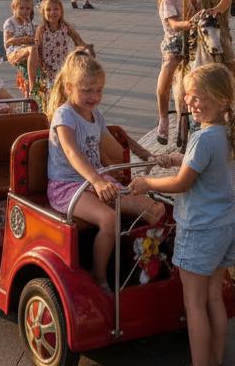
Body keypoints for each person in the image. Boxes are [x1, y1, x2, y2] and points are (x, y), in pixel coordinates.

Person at [130, 62, 235, 366]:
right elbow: (201, 164)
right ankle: (215, 360)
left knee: (193, 305)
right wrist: (174, 158)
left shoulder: (204, 139)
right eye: (189, 96)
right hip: (226, 227)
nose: (190, 102)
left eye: (197, 97)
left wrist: (146, 183)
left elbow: (183, 182)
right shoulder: (226, 134)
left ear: (219, 100)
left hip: (200, 230)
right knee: (214, 298)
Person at [45, 49, 165, 292]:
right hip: (67, 185)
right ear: (69, 88)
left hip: (96, 180)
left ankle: (140, 265)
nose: (94, 96)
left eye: (98, 90)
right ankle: (99, 277)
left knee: (155, 209)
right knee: (109, 219)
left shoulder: (95, 115)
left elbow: (114, 144)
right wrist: (98, 180)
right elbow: (71, 152)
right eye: (87, 90)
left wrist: (145, 156)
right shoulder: (64, 115)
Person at [154, 0, 197, 145]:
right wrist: (187, 24)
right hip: (175, 42)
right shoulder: (167, 0)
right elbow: (173, 24)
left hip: (193, 41)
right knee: (169, 67)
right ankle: (163, 118)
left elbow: (201, 13)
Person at [27, 0, 89, 105]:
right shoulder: (41, 30)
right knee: (52, 100)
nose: (52, 12)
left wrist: (85, 55)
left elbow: (80, 42)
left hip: (64, 69)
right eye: (48, 9)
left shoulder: (66, 27)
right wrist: (45, 70)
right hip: (48, 71)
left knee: (66, 98)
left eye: (56, 9)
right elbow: (38, 53)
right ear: (43, 12)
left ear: (61, 10)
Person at [2, 0, 38, 68]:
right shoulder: (10, 23)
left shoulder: (32, 24)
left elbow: (37, 39)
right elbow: (8, 43)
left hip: (28, 50)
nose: (24, 11)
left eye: (28, 9)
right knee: (31, 50)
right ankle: (32, 79)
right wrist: (24, 39)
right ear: (14, 7)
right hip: (14, 52)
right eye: (21, 8)